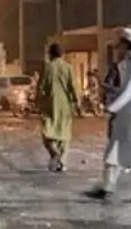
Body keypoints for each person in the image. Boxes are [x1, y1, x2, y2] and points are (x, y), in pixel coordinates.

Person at [87, 28, 131, 204]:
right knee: (114, 150)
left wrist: (113, 107)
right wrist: (112, 95)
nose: (118, 47)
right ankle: (107, 187)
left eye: (120, 44)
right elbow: (124, 89)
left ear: (126, 45)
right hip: (125, 114)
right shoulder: (125, 63)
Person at [38, 43, 78, 172]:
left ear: (50, 54)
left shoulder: (47, 67)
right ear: (62, 54)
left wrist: (38, 102)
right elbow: (73, 86)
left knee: (47, 133)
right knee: (64, 134)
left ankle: (54, 152)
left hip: (50, 104)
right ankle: (62, 162)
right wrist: (77, 102)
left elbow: (41, 87)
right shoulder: (68, 67)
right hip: (65, 105)